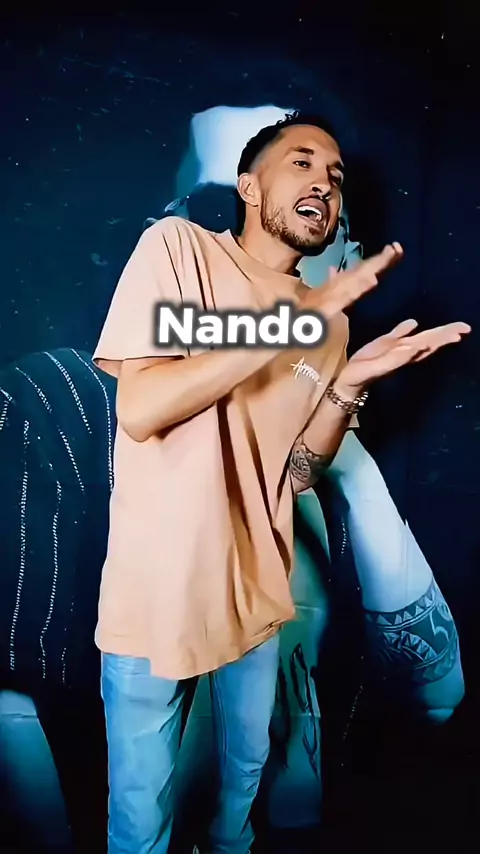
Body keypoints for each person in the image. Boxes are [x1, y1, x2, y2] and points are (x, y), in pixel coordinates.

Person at [93, 110, 470, 854]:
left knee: (238, 803)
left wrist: (349, 382)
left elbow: (297, 471)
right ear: (248, 185)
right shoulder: (179, 250)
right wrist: (294, 321)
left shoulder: (329, 326)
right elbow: (144, 406)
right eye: (302, 162)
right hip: (155, 595)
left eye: (335, 177)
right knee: (140, 823)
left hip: (259, 599)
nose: (324, 184)